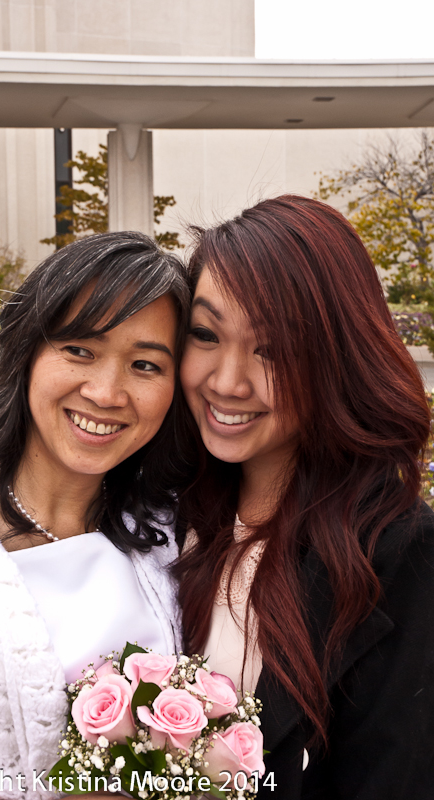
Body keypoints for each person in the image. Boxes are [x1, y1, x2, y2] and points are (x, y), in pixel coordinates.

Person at [0, 231, 189, 798]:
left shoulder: (170, 530)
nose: (106, 393)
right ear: (27, 352)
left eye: (145, 365)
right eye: (80, 350)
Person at [176, 195, 434, 799]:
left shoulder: (398, 554)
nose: (227, 382)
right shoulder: (165, 509)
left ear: (336, 358)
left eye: (271, 349)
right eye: (206, 334)